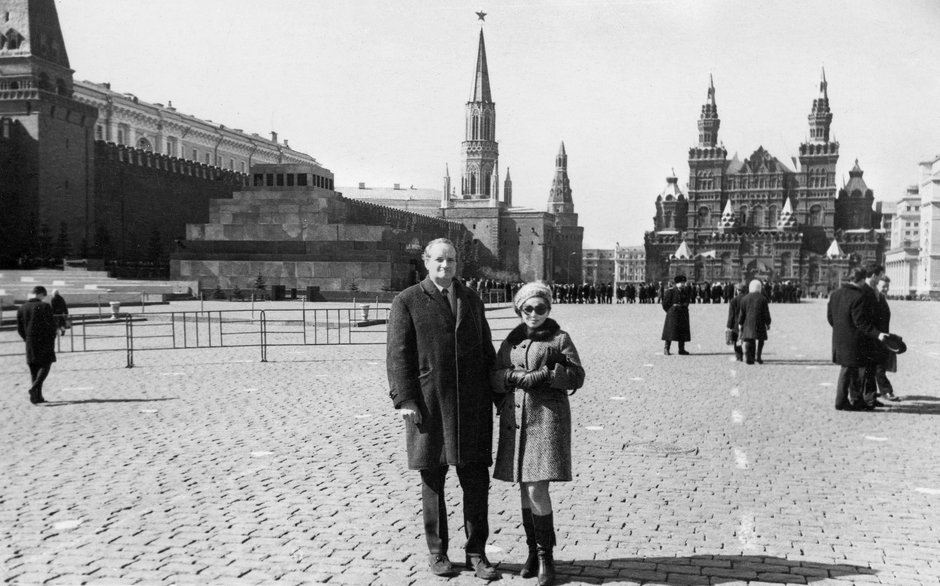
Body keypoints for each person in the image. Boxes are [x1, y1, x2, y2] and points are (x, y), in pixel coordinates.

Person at [386, 238, 499, 580]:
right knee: (433, 479)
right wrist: (405, 399)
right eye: (439, 260)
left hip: (471, 404)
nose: (445, 266)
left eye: (450, 260)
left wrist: (500, 396)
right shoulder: (407, 301)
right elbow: (398, 354)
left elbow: (486, 350)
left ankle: (477, 552)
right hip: (429, 403)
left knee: (476, 480)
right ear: (426, 262)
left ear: (457, 263)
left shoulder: (472, 299)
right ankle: (438, 552)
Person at [491, 282, 585, 586]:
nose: (534, 314)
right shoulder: (512, 340)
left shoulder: (559, 339)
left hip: (546, 420)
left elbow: (577, 375)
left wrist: (548, 375)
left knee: (536, 489)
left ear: (548, 309)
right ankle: (532, 552)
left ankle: (546, 558)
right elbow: (493, 375)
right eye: (527, 308)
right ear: (519, 309)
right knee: (523, 487)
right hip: (516, 422)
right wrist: (512, 376)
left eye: (540, 308)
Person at [827, 267, 888, 411]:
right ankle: (841, 401)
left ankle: (856, 399)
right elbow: (860, 322)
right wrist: (877, 334)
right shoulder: (858, 297)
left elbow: (830, 318)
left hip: (839, 339)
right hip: (854, 340)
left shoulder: (835, 294)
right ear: (861, 280)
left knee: (852, 370)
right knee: (848, 370)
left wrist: (841, 329)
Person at [16, 285, 58, 405]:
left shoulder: (22, 308)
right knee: (46, 364)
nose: (44, 298)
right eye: (44, 296)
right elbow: (51, 325)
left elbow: (19, 329)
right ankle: (35, 388)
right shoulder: (45, 306)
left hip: (30, 341)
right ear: (40, 294)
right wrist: (52, 337)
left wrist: (27, 339)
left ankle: (36, 397)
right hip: (44, 340)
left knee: (33, 369)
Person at [872, 275, 900, 402]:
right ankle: (886, 391)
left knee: (879, 365)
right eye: (884, 286)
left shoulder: (881, 298)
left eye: (887, 286)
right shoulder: (873, 298)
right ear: (876, 285)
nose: (886, 289)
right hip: (875, 337)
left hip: (883, 336)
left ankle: (874, 391)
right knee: (879, 366)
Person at [738, 279, 772, 365]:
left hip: (748, 323)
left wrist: (740, 323)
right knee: (760, 340)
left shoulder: (744, 299)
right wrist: (768, 323)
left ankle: (749, 357)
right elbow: (766, 313)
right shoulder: (763, 299)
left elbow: (742, 313)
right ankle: (758, 356)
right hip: (760, 322)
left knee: (749, 339)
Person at [661, 274, 691, 355]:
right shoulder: (671, 291)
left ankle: (681, 349)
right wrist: (670, 311)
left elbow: (687, 300)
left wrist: (685, 306)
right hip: (673, 314)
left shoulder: (685, 291)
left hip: (683, 314)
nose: (683, 284)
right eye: (681, 283)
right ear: (677, 283)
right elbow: (665, 304)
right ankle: (666, 348)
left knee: (682, 331)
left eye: (684, 283)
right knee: (670, 332)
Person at [725, 283, 746, 361]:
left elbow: (731, 315)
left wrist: (729, 326)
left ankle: (739, 356)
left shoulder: (734, 300)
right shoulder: (747, 299)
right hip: (746, 323)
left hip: (736, 324)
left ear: (737, 291)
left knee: (736, 340)